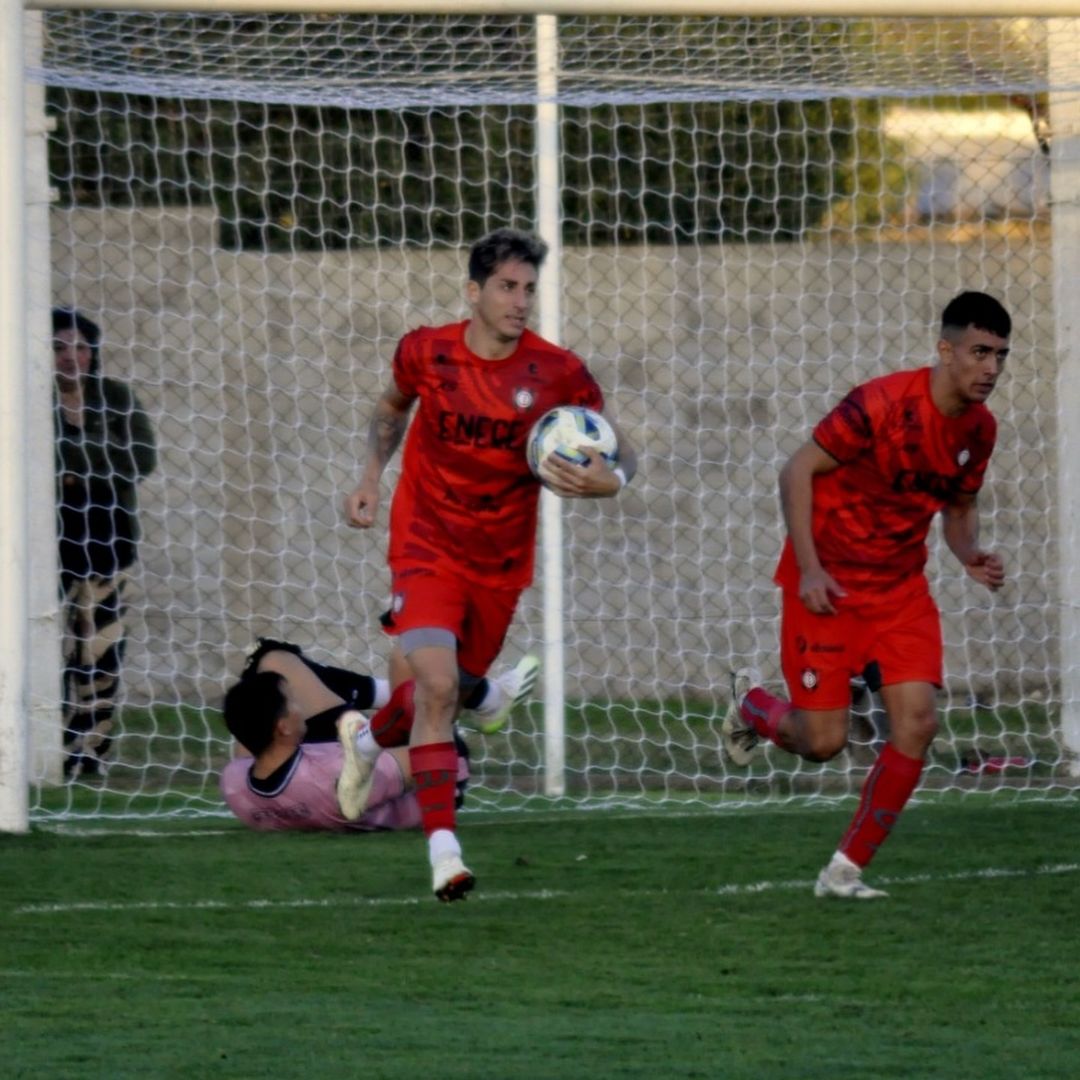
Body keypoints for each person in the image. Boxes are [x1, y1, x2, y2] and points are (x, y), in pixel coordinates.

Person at [343, 227, 638, 901]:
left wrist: (612, 480)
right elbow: (392, 408)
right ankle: (445, 855)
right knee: (441, 689)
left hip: (499, 563)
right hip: (423, 545)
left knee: (446, 690)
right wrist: (369, 477)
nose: (520, 300)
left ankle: (363, 744)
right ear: (473, 292)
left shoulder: (557, 371)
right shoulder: (426, 350)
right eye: (507, 287)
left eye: (529, 289)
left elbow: (617, 445)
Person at [722, 290, 1010, 899]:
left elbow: (959, 508)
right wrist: (809, 568)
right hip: (826, 586)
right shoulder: (881, 403)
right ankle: (751, 707)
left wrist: (969, 555)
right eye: (979, 352)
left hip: (900, 592)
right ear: (945, 349)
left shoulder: (980, 431)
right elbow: (797, 470)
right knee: (822, 743)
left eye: (1000, 356)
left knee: (918, 722)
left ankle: (844, 870)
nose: (990, 368)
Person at [220, 639, 538, 831]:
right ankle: (490, 698)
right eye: (293, 703)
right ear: (283, 727)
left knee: (270, 660)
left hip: (316, 766)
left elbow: (249, 726)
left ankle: (385, 694)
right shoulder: (338, 780)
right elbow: (423, 761)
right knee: (410, 659)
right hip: (434, 773)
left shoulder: (235, 783)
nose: (299, 705)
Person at [53, 307, 158, 779]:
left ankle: (91, 751)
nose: (71, 357)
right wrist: (93, 464)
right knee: (56, 649)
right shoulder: (29, 397)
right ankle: (49, 746)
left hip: (108, 541)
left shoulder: (115, 397)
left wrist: (75, 469)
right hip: (49, 546)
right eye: (59, 347)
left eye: (80, 347)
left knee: (101, 650)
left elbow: (140, 458)